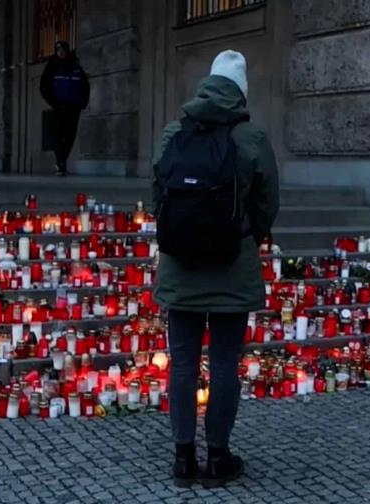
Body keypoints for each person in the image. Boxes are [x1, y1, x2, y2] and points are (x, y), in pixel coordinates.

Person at [152, 50, 279, 488]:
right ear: (241, 92)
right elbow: (268, 206)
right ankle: (219, 457)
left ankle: (183, 458)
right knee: (225, 365)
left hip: (180, 268)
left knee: (183, 364)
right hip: (232, 267)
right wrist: (246, 239)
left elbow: (158, 198)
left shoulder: (172, 133)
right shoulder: (253, 140)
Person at [40, 41, 90, 176]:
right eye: (58, 50)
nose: (60, 52)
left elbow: (85, 85)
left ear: (67, 51)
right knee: (58, 136)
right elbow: (44, 87)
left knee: (70, 136)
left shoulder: (76, 66)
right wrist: (54, 102)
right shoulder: (52, 67)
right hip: (59, 106)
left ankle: (61, 161)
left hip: (74, 107)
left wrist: (82, 103)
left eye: (62, 50)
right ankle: (61, 163)